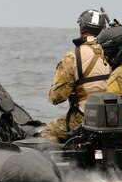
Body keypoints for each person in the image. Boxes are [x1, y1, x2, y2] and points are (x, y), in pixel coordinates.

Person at [42, 9, 111, 142]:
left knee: (49, 131)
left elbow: (57, 97)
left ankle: (61, 161)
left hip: (86, 117)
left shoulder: (72, 56)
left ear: (81, 29)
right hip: (114, 116)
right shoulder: (112, 53)